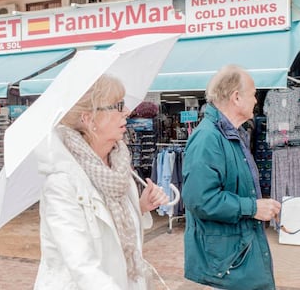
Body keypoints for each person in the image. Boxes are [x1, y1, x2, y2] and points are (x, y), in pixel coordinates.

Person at [33, 74, 170, 289]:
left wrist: (140, 207)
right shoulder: (62, 183)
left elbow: (117, 235)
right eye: (118, 105)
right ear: (89, 119)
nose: (127, 112)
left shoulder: (119, 168)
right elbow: (81, 264)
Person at [181, 64, 281, 290]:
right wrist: (253, 207)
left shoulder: (231, 135)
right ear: (236, 97)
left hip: (236, 257)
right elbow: (200, 200)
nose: (257, 101)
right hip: (227, 264)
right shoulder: (208, 138)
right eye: (254, 94)